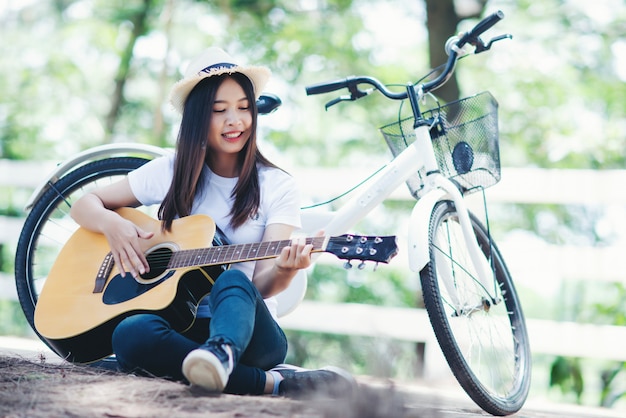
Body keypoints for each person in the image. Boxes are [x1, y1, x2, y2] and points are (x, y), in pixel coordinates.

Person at [70, 47, 354, 397]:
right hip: (183, 326)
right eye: (220, 111)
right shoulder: (171, 171)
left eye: (244, 108)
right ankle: (274, 383)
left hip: (251, 333)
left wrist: (287, 269)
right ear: (197, 119)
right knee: (129, 333)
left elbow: (262, 285)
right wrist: (112, 225)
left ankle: (223, 353)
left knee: (232, 277)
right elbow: (84, 204)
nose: (235, 120)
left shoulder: (277, 185)